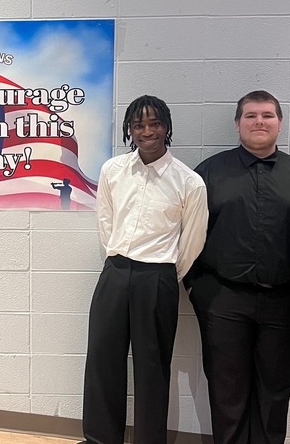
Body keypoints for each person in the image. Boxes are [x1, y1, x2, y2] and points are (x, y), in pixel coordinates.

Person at [185, 90, 290, 444]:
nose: (259, 122)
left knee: (276, 389)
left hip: (286, 301)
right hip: (222, 299)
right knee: (225, 388)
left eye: (267, 115)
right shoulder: (207, 174)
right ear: (237, 124)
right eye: (250, 116)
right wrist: (194, 286)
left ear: (279, 123)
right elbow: (185, 231)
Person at [80, 95, 208, 444]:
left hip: (158, 277)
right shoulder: (113, 170)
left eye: (154, 123)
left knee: (152, 368)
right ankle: (100, 438)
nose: (147, 131)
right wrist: (120, 259)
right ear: (129, 130)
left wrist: (163, 273)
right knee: (102, 360)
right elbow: (106, 223)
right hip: (116, 272)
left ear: (166, 127)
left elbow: (192, 243)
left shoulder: (189, 182)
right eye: (139, 125)